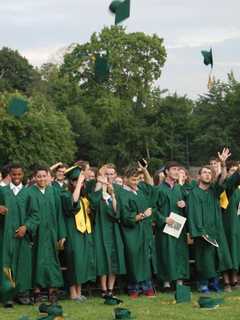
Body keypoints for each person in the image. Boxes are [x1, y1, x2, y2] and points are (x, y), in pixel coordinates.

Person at [187, 148, 233, 293]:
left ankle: (214, 282)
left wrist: (223, 164)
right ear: (199, 176)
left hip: (215, 230)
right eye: (204, 173)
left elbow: (223, 180)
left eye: (210, 173)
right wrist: (199, 232)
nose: (207, 175)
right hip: (202, 232)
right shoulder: (193, 193)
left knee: (215, 257)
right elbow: (193, 214)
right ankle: (203, 283)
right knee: (204, 259)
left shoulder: (214, 191)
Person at [0, 164, 40, 306]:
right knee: (6, 263)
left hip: (22, 236)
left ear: (23, 175)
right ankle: (7, 296)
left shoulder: (29, 193)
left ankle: (22, 294)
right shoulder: (2, 191)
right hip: (5, 236)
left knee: (23, 264)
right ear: (9, 175)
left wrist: (26, 226)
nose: (16, 177)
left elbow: (35, 214)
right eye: (13, 174)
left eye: (19, 174)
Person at [29, 166, 66, 303]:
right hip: (36, 233)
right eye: (39, 176)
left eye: (44, 176)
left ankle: (53, 291)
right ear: (34, 178)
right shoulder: (29, 192)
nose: (42, 179)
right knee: (36, 261)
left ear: (49, 176)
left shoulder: (54, 192)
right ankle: (37, 292)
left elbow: (59, 214)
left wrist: (61, 234)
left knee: (52, 260)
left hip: (52, 232)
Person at [118, 166, 156, 298]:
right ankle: (133, 288)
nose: (136, 182)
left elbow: (151, 185)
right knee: (134, 258)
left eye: (138, 179)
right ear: (125, 179)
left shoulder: (140, 190)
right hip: (131, 232)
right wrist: (144, 215)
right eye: (133, 180)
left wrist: (145, 170)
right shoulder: (122, 194)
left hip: (144, 230)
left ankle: (147, 286)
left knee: (145, 257)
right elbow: (125, 216)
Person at [90, 164, 126, 298]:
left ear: (116, 175)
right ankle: (103, 289)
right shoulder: (98, 188)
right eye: (107, 174)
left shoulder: (118, 190)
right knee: (102, 258)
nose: (109, 176)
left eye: (111, 174)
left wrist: (113, 194)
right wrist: (102, 186)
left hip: (114, 229)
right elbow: (93, 204)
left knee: (114, 258)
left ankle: (111, 289)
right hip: (100, 227)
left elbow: (117, 212)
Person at [61, 165, 96, 301]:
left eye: (80, 181)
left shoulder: (84, 196)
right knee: (73, 262)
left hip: (85, 232)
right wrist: (80, 183)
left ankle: (79, 292)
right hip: (72, 232)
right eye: (75, 181)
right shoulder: (65, 194)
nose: (79, 183)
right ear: (71, 182)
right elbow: (72, 204)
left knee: (82, 262)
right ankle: (72, 293)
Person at [154, 161, 189, 291]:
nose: (176, 172)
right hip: (164, 226)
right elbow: (153, 208)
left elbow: (189, 207)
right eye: (173, 169)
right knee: (166, 251)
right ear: (167, 172)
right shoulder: (158, 189)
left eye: (178, 169)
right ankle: (166, 282)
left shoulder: (181, 189)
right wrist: (163, 219)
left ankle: (179, 281)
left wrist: (185, 205)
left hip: (179, 226)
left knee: (179, 251)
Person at [221, 161, 240, 291]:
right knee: (225, 249)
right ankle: (226, 279)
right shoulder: (225, 188)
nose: (233, 173)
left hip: (235, 223)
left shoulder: (238, 189)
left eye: (235, 171)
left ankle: (235, 277)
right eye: (231, 171)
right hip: (224, 223)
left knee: (235, 249)